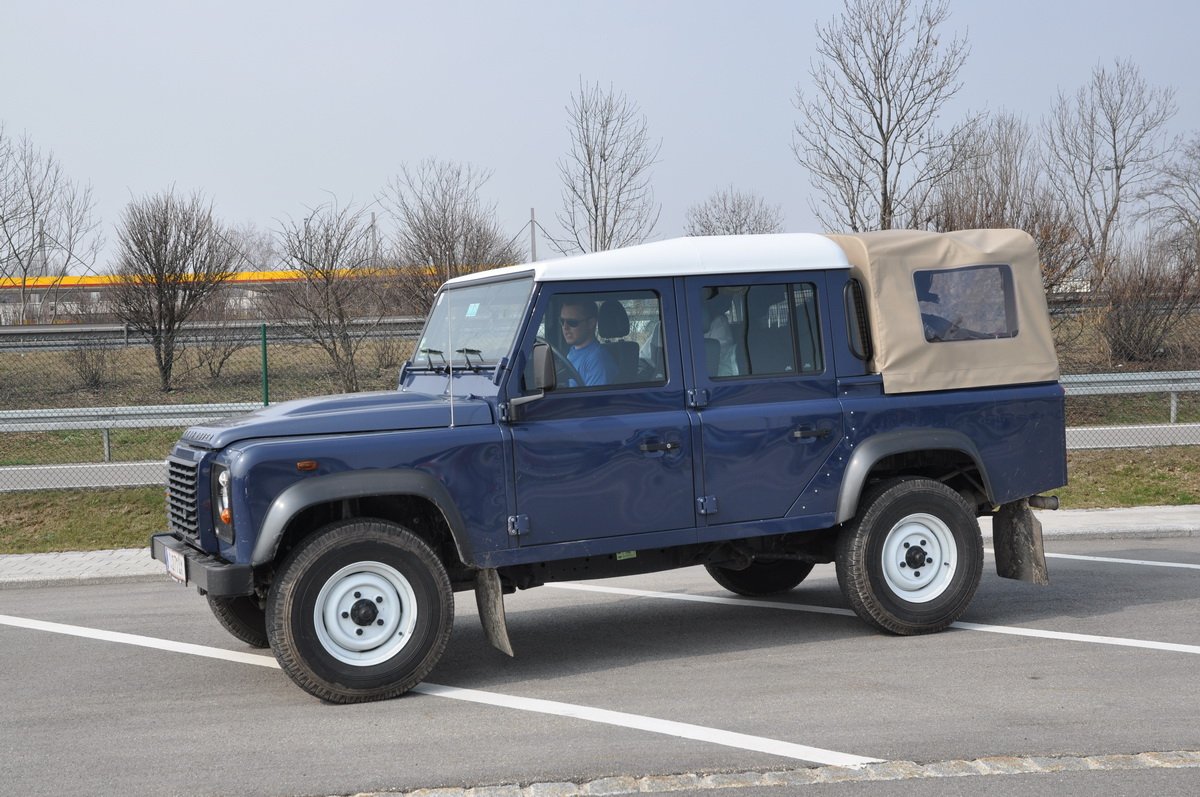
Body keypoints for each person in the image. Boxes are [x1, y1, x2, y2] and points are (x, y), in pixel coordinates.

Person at [559, 299, 617, 387]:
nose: (565, 327)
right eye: (562, 321)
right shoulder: (573, 351)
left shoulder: (597, 359)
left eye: (572, 322)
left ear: (591, 323)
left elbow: (594, 400)